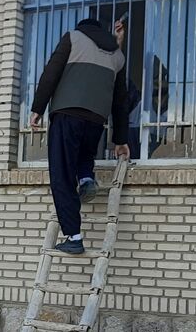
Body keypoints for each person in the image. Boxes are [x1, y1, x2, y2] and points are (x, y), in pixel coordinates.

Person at [29, 17, 131, 255]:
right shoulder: (117, 55)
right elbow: (121, 100)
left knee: (62, 174)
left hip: (67, 113)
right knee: (84, 154)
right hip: (96, 120)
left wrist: (37, 108)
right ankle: (86, 179)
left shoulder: (73, 38)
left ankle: (74, 236)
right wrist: (121, 139)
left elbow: (51, 73)